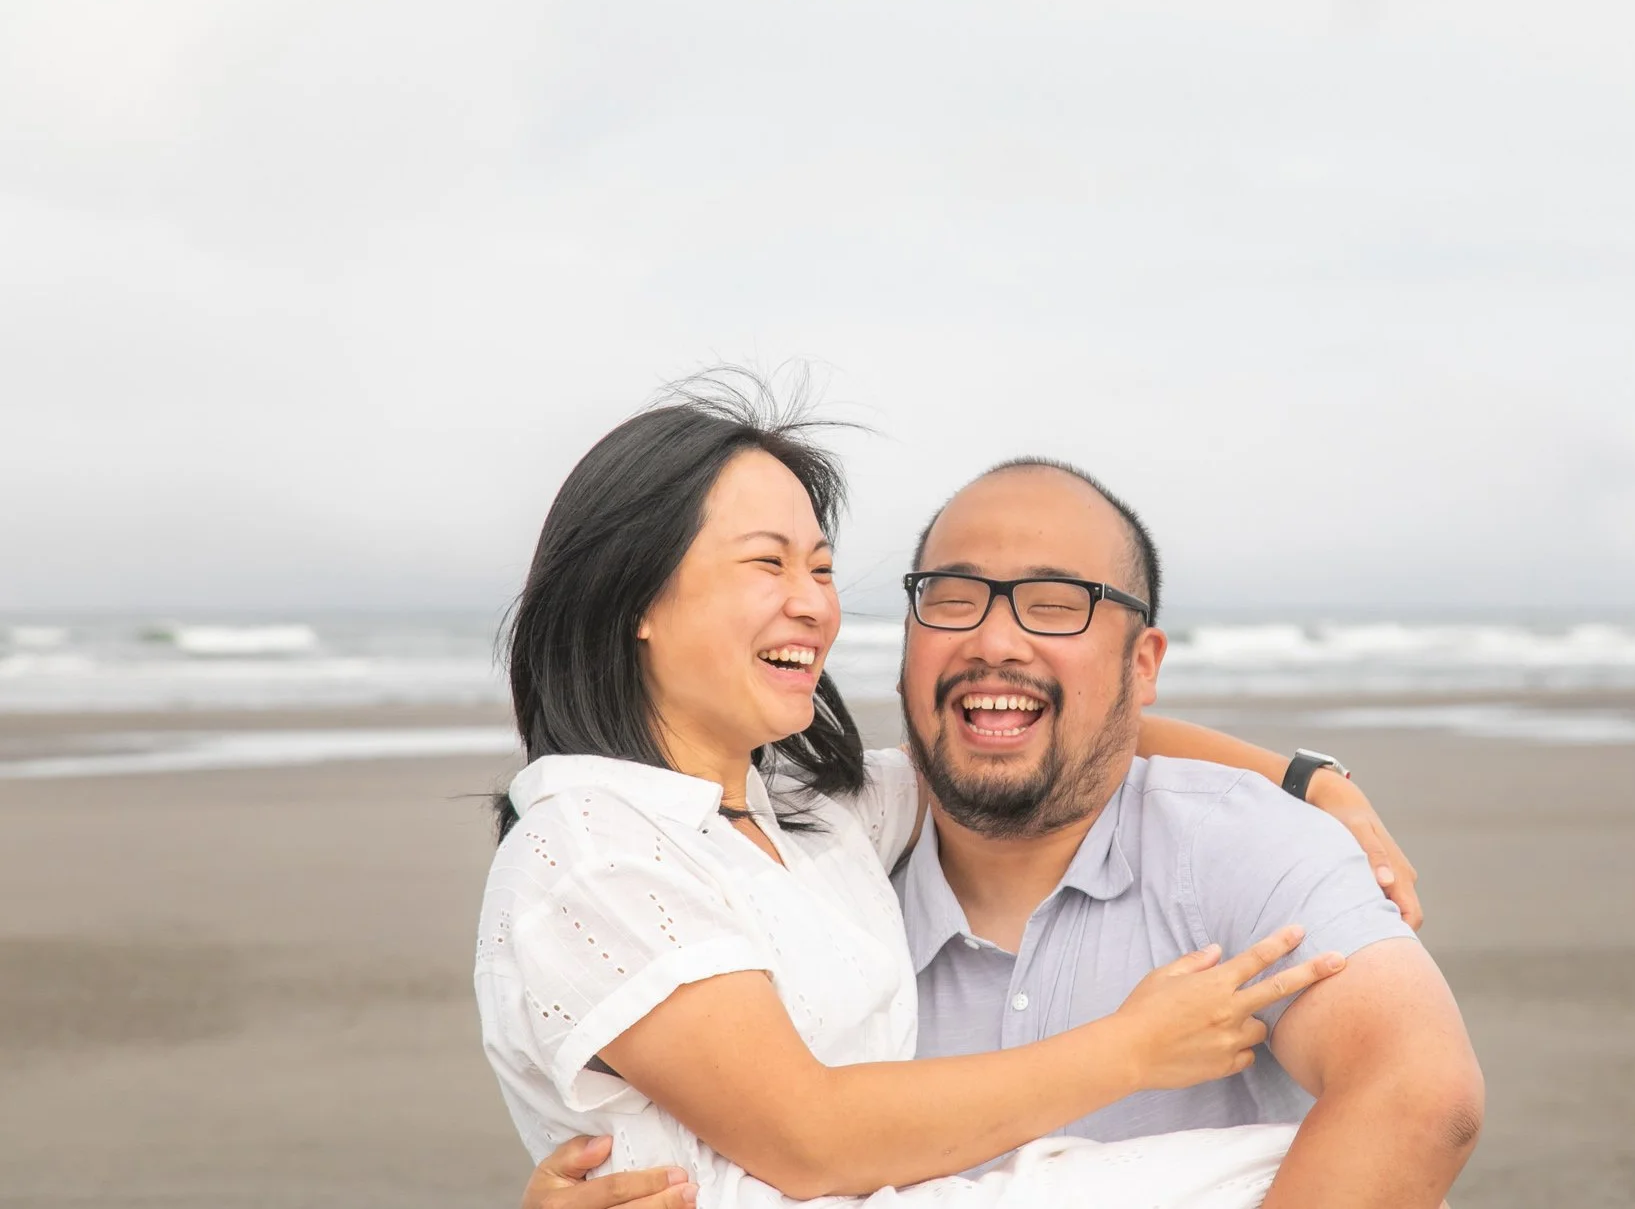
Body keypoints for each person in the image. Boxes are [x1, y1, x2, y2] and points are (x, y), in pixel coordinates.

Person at [483, 385, 1480, 1206]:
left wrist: (1303, 779)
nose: (812, 601)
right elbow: (807, 1136)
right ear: (636, 598)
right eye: (766, 563)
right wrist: (1128, 1050)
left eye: (822, 568)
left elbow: (1016, 722)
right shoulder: (596, 847)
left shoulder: (808, 817)